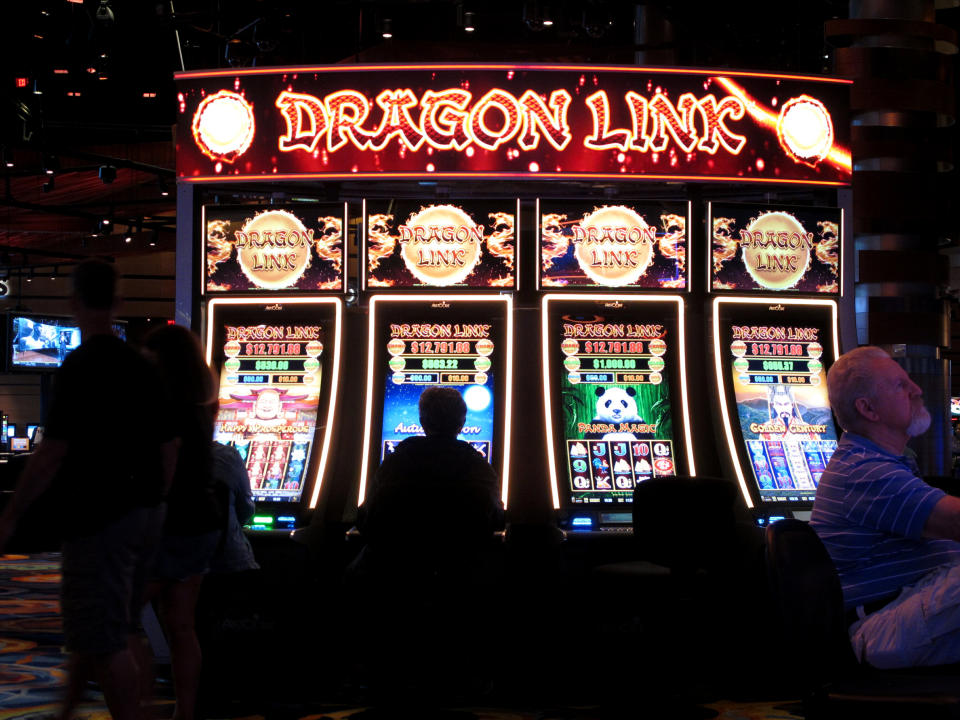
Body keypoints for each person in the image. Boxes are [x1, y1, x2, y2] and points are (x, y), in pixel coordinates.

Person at [0, 259, 176, 720]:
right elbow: (169, 443)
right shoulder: (140, 364)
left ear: (75, 303)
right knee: (110, 626)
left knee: (101, 633)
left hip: (99, 516)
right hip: (145, 514)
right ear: (118, 300)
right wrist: (155, 502)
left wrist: (12, 515)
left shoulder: (80, 366)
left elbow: (52, 452)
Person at [810, 345, 960, 669]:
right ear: (868, 409)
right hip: (881, 626)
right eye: (900, 385)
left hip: (913, 616)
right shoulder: (864, 471)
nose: (917, 389)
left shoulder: (887, 461)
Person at [141, 325, 222, 720]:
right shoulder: (203, 404)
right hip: (203, 522)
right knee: (181, 625)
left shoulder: (166, 405)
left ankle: (131, 704)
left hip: (171, 523)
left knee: (117, 618)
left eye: (151, 355)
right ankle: (184, 712)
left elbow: (166, 469)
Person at [355, 385, 504, 579]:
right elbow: (495, 522)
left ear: (422, 421)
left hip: (395, 576)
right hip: (462, 577)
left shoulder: (396, 463)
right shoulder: (479, 468)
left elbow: (367, 521)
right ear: (462, 423)